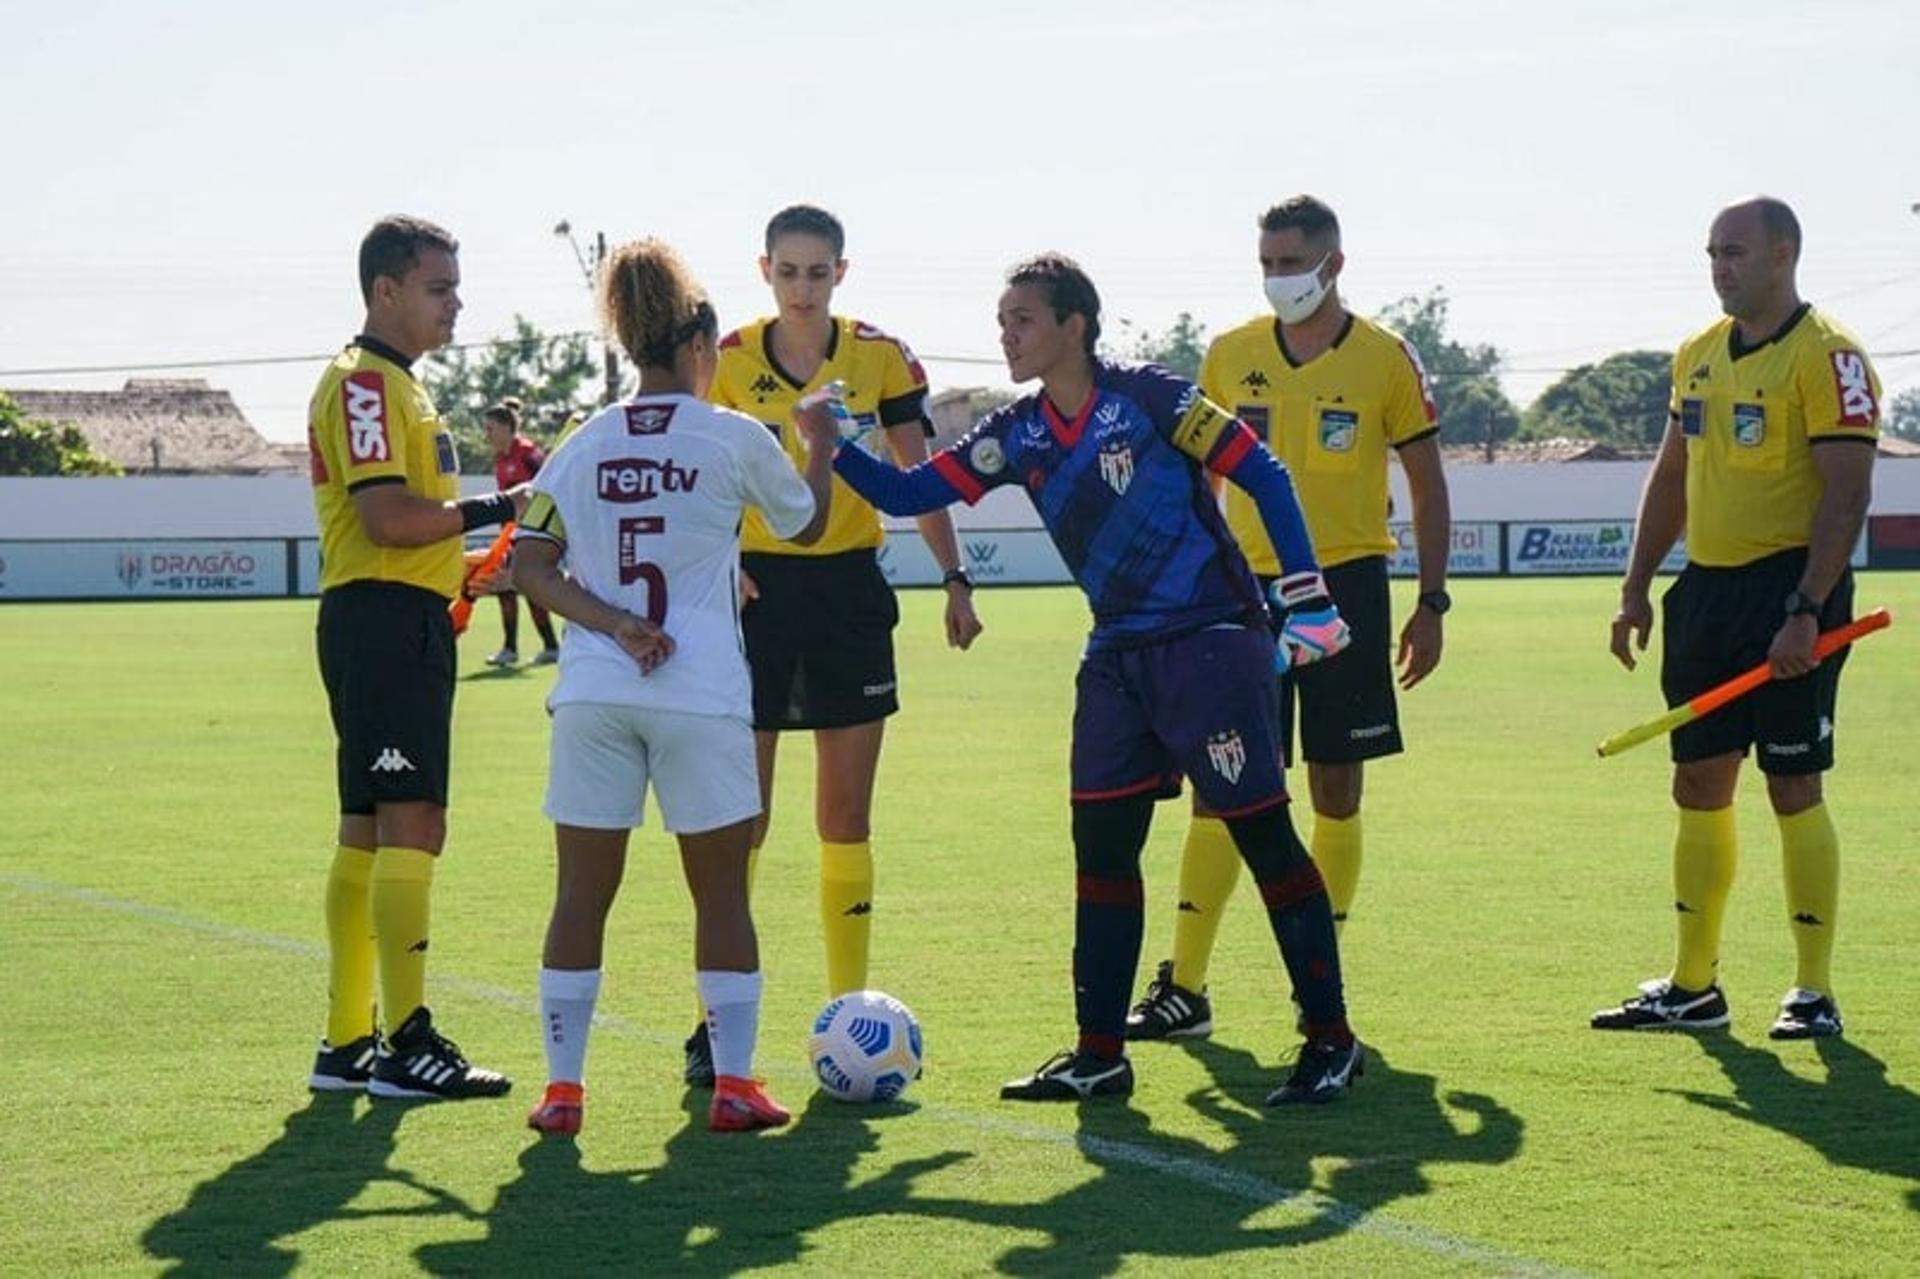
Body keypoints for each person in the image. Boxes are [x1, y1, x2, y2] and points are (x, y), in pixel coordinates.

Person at [830, 253, 1364, 1104]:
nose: (1005, 334)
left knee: (1264, 837)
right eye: (1002, 319)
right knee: (1102, 853)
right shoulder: (1017, 432)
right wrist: (837, 445)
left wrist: (1304, 596)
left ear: (1074, 324)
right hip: (1115, 656)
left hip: (1211, 641)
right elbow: (906, 493)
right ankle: (1099, 1052)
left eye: (1022, 320)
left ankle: (1331, 1039)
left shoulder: (1151, 397)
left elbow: (1263, 470)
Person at [510, 238, 841, 1135]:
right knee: (721, 891)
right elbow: (805, 527)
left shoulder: (581, 446)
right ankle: (733, 1085)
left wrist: (614, 623)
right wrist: (817, 444)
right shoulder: (732, 434)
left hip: (595, 691)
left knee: (581, 891)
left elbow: (529, 564)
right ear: (700, 342)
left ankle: (563, 1090)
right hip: (699, 692)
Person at [1127, 195, 1452, 1041]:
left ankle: (1321, 984)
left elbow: (1427, 480)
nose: (1277, 277)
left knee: (1336, 786)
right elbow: (1196, 479)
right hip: (1242, 594)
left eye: (1291, 262)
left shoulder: (1387, 358)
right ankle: (1184, 986)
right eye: (1266, 261)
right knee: (1221, 785)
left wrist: (1433, 598)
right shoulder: (1230, 354)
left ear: (1333, 264)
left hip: (1347, 585)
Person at [687, 204, 984, 1085]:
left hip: (851, 591)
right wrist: (719, 562)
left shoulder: (881, 357)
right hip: (757, 595)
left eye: (819, 273)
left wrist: (955, 577)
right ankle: (718, 1018)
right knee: (744, 818)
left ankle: (847, 1010)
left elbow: (917, 474)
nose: (804, 287)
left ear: (840, 275)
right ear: (765, 270)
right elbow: (699, 471)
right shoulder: (731, 359)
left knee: (844, 817)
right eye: (790, 271)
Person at [1593, 196, 1879, 1040]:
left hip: (1792, 590)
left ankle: (1813, 990)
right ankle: (1693, 986)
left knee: (1793, 784)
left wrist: (1805, 609)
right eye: (1712, 252)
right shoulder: (1697, 355)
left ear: (1784, 254)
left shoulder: (1829, 358)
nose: (1720, 266)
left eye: (1735, 252)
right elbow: (1672, 474)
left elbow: (1848, 491)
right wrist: (1636, 586)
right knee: (1697, 783)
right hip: (1708, 596)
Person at [307, 214, 526, 1100]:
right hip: (385, 621)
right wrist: (499, 504)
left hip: (395, 617)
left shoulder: (399, 386)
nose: (456, 303)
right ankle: (404, 1043)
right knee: (412, 821)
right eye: (439, 288)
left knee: (366, 827)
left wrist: (468, 564)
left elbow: (408, 528)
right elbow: (388, 520)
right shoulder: (367, 385)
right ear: (385, 290)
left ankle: (346, 1040)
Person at [481, 398, 561, 667]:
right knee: (504, 586)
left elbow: (549, 485)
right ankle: (512, 648)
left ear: (506, 427)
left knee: (524, 585)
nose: (486, 434)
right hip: (510, 533)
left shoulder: (527, 453)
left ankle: (550, 646)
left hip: (530, 532)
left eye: (490, 428)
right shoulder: (500, 458)